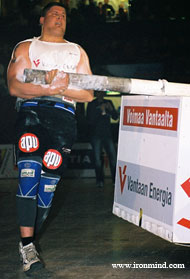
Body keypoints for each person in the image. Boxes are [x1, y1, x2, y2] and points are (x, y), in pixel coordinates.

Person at [7, 2, 93, 274]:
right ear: (42, 19)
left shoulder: (76, 51)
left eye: (64, 15)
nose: (60, 18)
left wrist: (62, 86)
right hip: (32, 113)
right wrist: (48, 87)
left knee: (46, 191)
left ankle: (27, 239)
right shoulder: (26, 47)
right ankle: (28, 246)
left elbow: (88, 94)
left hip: (64, 119)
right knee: (29, 173)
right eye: (55, 14)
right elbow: (14, 85)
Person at [86, 91, 118, 188]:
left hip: (108, 135)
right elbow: (89, 120)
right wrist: (100, 111)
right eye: (99, 92)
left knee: (113, 159)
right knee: (97, 160)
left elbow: (115, 117)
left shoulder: (108, 102)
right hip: (96, 135)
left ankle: (115, 181)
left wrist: (111, 109)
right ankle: (99, 181)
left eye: (103, 92)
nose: (101, 94)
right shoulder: (92, 104)